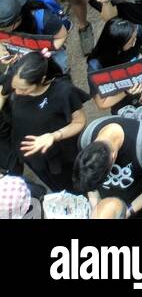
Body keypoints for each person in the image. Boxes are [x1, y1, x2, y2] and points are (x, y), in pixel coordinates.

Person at [0, 52, 86, 192]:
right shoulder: (16, 79)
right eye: (15, 88)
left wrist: (53, 136)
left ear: (42, 79)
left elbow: (79, 121)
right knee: (55, 186)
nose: (17, 92)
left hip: (59, 154)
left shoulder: (63, 91)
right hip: (32, 154)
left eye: (23, 89)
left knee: (73, 184)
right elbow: (3, 91)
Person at [73, 114, 142, 219]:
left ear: (113, 157)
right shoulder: (85, 139)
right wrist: (97, 208)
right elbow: (89, 184)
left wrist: (130, 210)